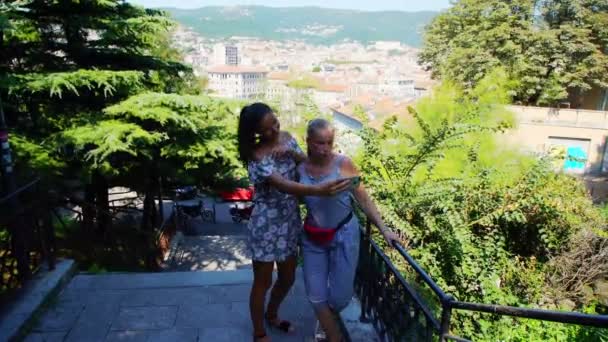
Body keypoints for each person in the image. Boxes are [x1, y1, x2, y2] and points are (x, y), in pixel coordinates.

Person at [237, 103, 351, 342]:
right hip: (266, 226)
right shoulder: (256, 156)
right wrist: (318, 190)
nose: (275, 130)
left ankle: (272, 313)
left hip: (289, 221)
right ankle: (259, 332)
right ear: (256, 133)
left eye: (275, 123)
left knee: (288, 277)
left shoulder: (287, 138)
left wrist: (291, 153)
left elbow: (303, 163)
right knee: (263, 281)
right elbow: (282, 184)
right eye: (268, 129)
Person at [298, 118, 400, 342]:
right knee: (316, 296)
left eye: (329, 143)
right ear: (308, 141)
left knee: (340, 298)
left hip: (344, 234)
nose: (324, 149)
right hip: (313, 238)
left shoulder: (344, 165)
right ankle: (332, 333)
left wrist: (384, 230)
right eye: (319, 143)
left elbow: (363, 199)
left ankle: (325, 320)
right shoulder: (300, 167)